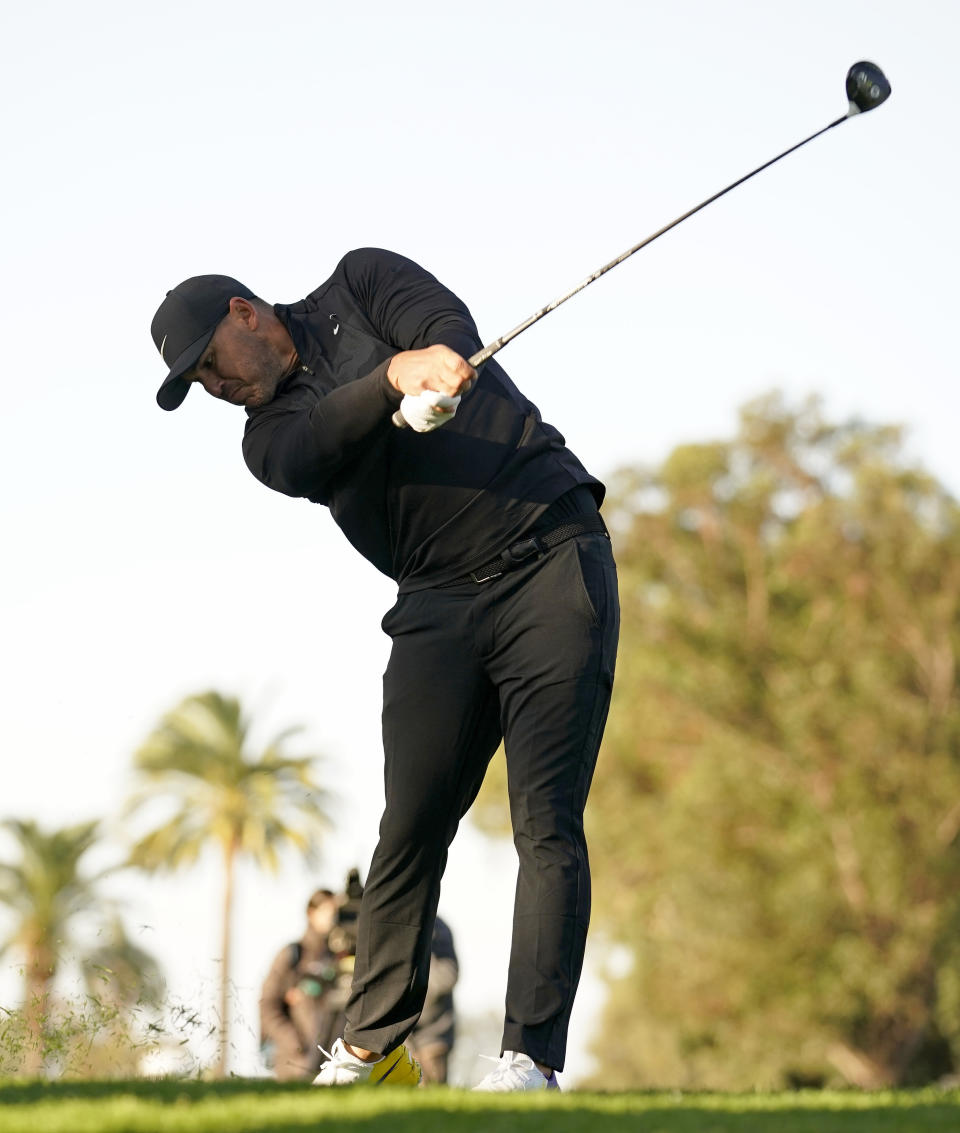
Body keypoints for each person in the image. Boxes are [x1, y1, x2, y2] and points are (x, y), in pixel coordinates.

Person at [150, 248, 620, 1091]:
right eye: (198, 383)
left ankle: (530, 1058)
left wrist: (434, 362)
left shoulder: (360, 282)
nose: (214, 387)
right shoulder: (267, 440)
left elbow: (446, 327)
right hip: (437, 607)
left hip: (551, 553)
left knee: (545, 818)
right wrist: (391, 383)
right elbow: (322, 439)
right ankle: (369, 1051)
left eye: (209, 364)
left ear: (243, 312)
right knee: (408, 831)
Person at [258, 888, 343, 1081]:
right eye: (327, 911)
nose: (333, 918)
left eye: (336, 912)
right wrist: (294, 1043)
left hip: (334, 1064)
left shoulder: (340, 959)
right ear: (311, 913)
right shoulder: (293, 955)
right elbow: (268, 1006)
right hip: (295, 1064)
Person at [405, 914, 458, 1085]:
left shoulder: (436, 926)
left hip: (432, 1036)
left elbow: (447, 976)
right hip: (399, 1037)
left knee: (434, 1098)